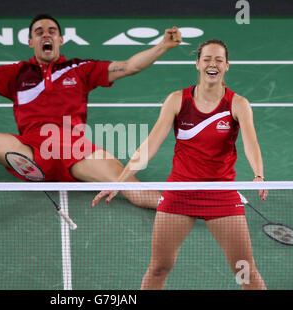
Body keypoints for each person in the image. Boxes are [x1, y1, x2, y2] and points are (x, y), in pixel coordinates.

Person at [0, 14, 182, 215]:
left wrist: (163, 46)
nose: (46, 34)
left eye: (52, 30)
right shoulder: (16, 74)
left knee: (127, 184)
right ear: (31, 41)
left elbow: (129, 66)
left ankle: (177, 207)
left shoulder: (80, 69)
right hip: (31, 152)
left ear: (61, 39)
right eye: (39, 31)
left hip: (76, 151)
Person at [92, 39, 268, 290]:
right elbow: (149, 146)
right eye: (207, 58)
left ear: (227, 66)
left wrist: (258, 175)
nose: (212, 63)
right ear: (198, 64)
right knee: (158, 268)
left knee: (245, 272)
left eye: (219, 59)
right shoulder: (177, 100)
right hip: (180, 193)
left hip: (220, 194)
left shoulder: (237, 104)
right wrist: (120, 180)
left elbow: (251, 143)